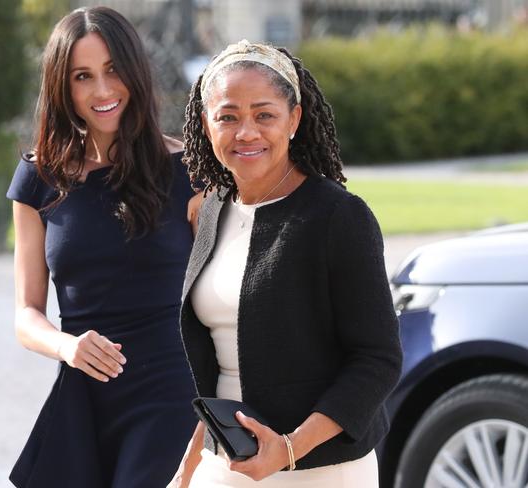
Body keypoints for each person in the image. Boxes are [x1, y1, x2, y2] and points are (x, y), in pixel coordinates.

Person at [170, 40, 403, 487]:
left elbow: (378, 359)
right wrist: (189, 465)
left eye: (264, 114)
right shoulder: (212, 209)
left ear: (294, 119)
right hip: (227, 462)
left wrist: (290, 447)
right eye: (229, 117)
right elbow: (220, 362)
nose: (247, 132)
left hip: (320, 468)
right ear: (206, 123)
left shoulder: (338, 217)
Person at [6, 7, 200, 488]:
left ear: (134, 70)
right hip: (83, 395)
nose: (103, 90)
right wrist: (67, 347)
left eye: (113, 70)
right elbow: (26, 314)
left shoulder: (190, 173)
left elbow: (224, 296)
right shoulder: (38, 179)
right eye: (83, 76)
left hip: (171, 394)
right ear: (62, 87)